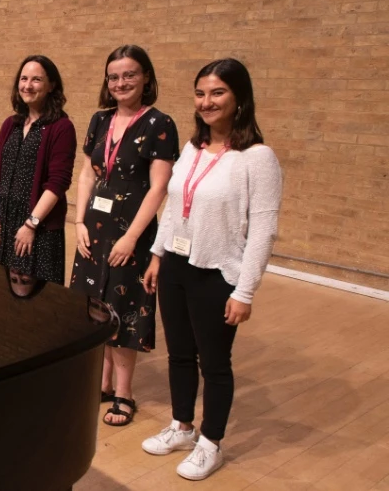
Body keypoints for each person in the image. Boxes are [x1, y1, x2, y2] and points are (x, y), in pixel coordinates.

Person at [140, 59, 282, 481]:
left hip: (217, 273)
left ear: (239, 98)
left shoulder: (257, 158)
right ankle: (182, 426)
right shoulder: (192, 148)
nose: (206, 102)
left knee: (215, 363)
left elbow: (264, 230)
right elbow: (173, 208)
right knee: (179, 354)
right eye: (200, 93)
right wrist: (157, 254)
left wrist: (245, 291)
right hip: (176, 266)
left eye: (217, 93)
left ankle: (210, 443)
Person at [69, 45, 179, 427]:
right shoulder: (100, 119)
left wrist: (132, 237)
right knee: (92, 307)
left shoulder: (160, 123)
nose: (121, 82)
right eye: (114, 76)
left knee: (123, 310)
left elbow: (159, 187)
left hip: (130, 232)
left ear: (146, 77)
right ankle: (100, 384)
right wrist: (78, 221)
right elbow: (88, 173)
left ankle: (123, 393)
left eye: (129, 74)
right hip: (93, 230)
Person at [0, 55, 76, 285]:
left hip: (38, 227)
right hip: (2, 223)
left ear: (51, 85)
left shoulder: (61, 127)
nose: (28, 85)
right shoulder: (11, 124)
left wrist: (30, 225)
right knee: (0, 288)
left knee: (36, 292)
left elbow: (58, 182)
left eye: (36, 79)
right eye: (24, 79)